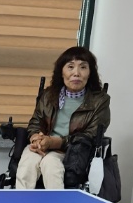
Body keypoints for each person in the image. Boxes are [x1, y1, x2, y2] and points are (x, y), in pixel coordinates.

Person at [15, 46, 110, 189]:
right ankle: (20, 202)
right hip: (42, 145)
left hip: (72, 151)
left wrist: (55, 143)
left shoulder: (100, 101)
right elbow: (36, 122)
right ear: (61, 72)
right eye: (70, 67)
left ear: (90, 73)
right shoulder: (48, 95)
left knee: (51, 164)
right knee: (27, 162)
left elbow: (91, 135)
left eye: (83, 67)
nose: (76, 73)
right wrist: (35, 138)